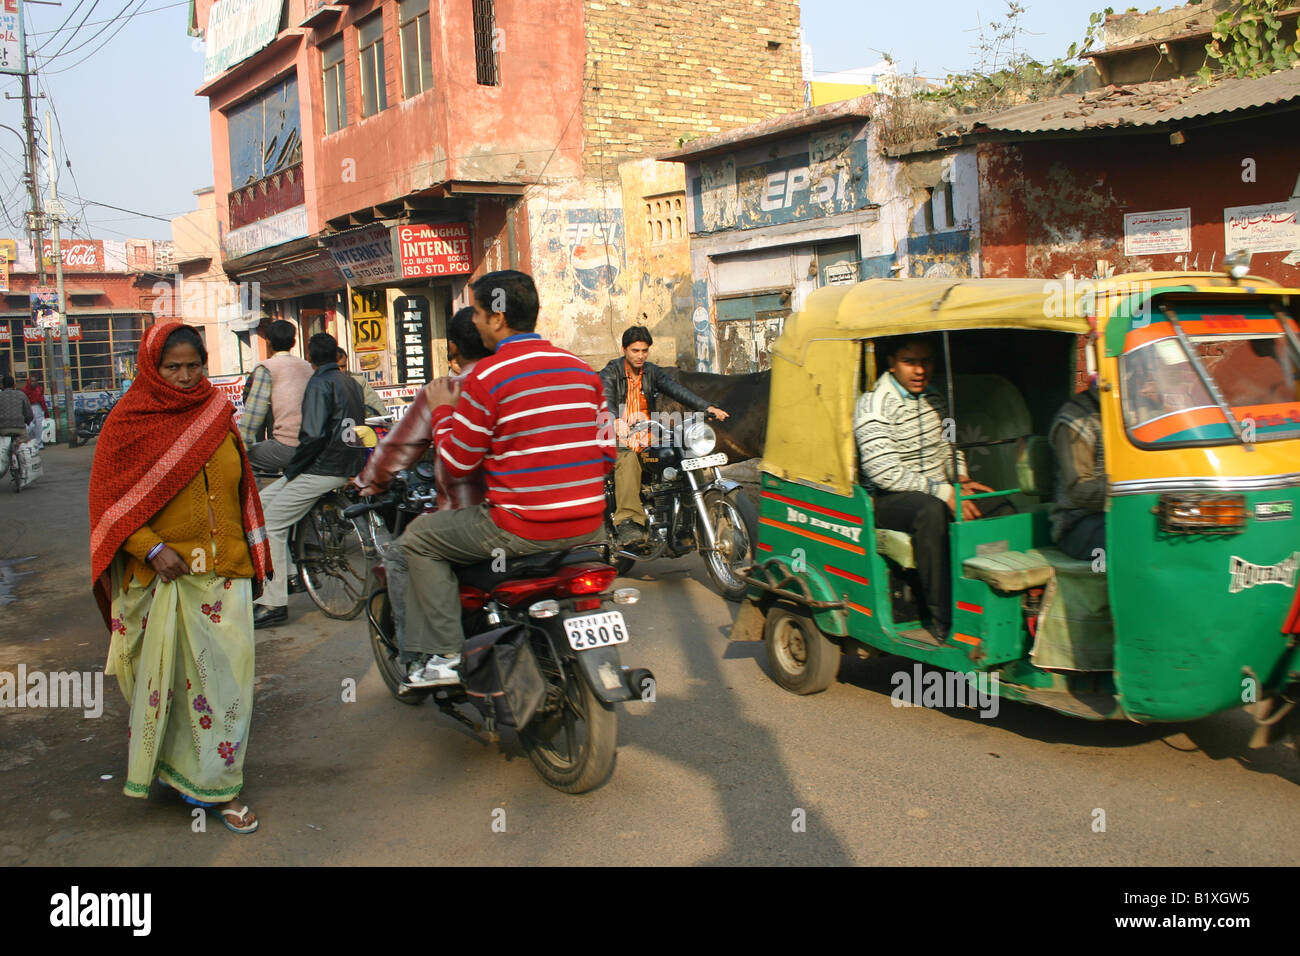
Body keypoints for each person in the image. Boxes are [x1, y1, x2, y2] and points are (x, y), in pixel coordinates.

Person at [88, 323, 271, 834]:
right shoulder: (129, 421)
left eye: (195, 365)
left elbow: (240, 489)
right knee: (166, 686)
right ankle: (181, 772)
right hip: (163, 577)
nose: (187, 377)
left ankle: (222, 787)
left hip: (224, 569)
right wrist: (152, 547)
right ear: (152, 368)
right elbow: (109, 503)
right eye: (174, 367)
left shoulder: (217, 412)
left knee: (227, 686)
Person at [394, 270, 616, 687]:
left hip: (520, 528)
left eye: (477, 312)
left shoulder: (488, 377)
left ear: (497, 318)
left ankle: (443, 657)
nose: (474, 322)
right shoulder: (583, 371)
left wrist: (443, 410)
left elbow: (458, 463)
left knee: (418, 539)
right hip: (590, 526)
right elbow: (607, 455)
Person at [353, 307, 492, 660]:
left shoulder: (445, 391)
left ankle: (426, 657)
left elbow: (397, 450)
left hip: (477, 523)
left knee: (402, 552)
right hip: (549, 517)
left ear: (453, 352)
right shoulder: (525, 381)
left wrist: (368, 483)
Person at [853, 335, 1010, 642]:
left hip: (937, 489)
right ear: (892, 363)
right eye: (910, 362)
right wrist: (943, 492)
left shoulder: (934, 397)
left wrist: (960, 478)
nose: (920, 370)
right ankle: (945, 620)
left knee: (997, 504)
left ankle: (997, 603)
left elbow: (949, 448)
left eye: (926, 362)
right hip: (888, 500)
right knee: (931, 512)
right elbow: (884, 472)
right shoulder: (873, 405)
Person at [252, 332, 366, 628]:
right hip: (345, 462)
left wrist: (294, 470)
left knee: (272, 523)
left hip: (323, 466)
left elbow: (313, 435)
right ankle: (290, 574)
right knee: (262, 503)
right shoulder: (350, 382)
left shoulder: (320, 383)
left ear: (312, 358)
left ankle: (273, 602)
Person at [598, 325, 729, 545]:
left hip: (646, 431)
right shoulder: (611, 372)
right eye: (635, 351)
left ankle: (687, 518)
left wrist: (707, 407)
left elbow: (677, 390)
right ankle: (629, 521)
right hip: (616, 434)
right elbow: (604, 399)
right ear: (624, 350)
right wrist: (616, 420)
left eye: (644, 351)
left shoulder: (651, 371)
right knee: (628, 458)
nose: (640, 356)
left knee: (683, 454)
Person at [239, 319, 313, 474]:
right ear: (293, 342)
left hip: (289, 444)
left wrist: (241, 445)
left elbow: (254, 414)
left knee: (244, 458)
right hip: (313, 443)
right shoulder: (307, 366)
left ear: (268, 342)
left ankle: (256, 498)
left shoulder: (266, 368)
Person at [1048, 383, 1105, 561]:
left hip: (1124, 513)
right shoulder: (1076, 418)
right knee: (1129, 539)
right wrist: (1124, 489)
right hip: (1078, 523)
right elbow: (1079, 491)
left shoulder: (1136, 411)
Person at [335, 347, 386, 417]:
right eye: (336, 367)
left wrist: (385, 419)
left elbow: (374, 403)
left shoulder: (357, 380)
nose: (340, 370)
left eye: (343, 366)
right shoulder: (322, 384)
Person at [0, 374, 33, 440]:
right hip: (19, 428)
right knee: (24, 445)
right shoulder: (22, 395)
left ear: (2, 385)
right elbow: (29, 414)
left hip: (2, 429)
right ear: (14, 385)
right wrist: (27, 422)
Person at [22, 372, 47, 446]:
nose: (34, 383)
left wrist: (45, 411)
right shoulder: (24, 390)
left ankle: (39, 443)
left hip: (38, 407)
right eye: (32, 381)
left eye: (35, 381)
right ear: (29, 382)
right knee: (30, 426)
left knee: (40, 426)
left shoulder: (40, 389)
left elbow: (42, 400)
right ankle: (31, 443)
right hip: (28, 408)